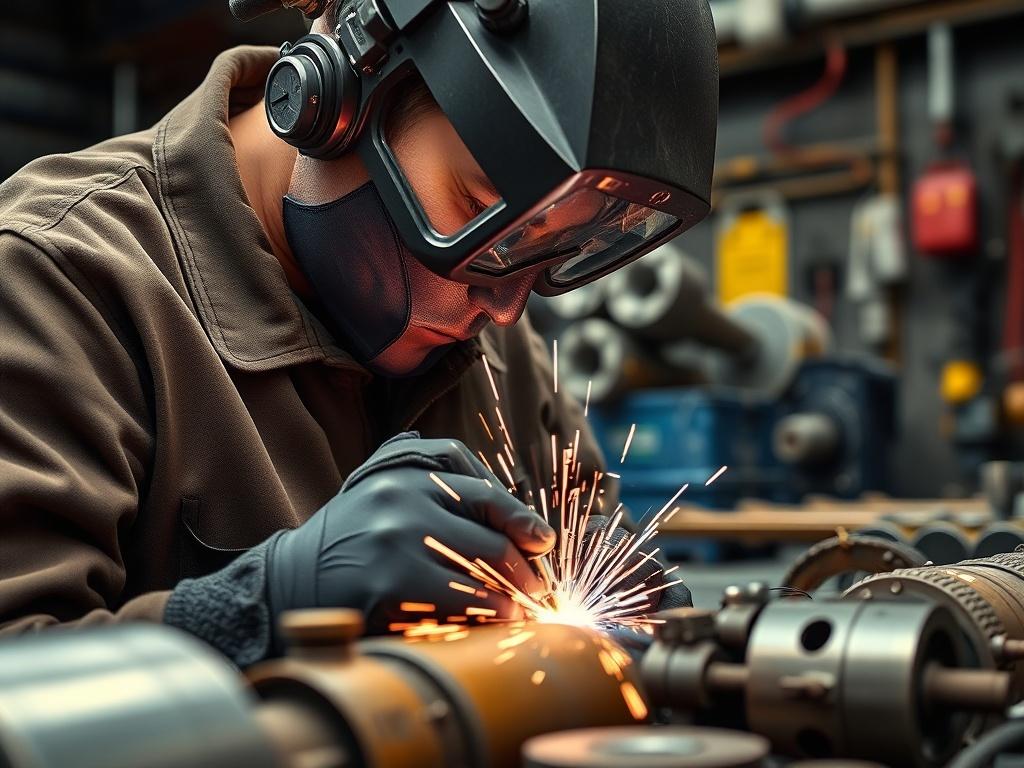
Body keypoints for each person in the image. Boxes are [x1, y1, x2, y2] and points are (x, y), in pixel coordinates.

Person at [0, 0, 716, 665]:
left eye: (551, 250)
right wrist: (257, 607)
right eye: (480, 204)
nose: (504, 310)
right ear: (337, 94)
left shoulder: (495, 351)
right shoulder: (56, 280)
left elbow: (587, 533)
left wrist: (622, 594)